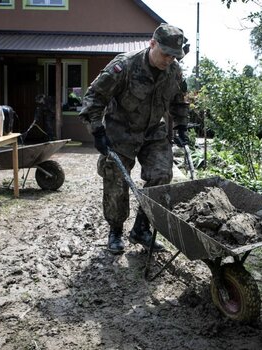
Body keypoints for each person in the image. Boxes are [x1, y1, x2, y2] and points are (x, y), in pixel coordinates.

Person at [79, 23, 190, 254]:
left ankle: (142, 229)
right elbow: (94, 97)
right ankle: (116, 231)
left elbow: (179, 99)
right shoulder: (125, 66)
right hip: (121, 132)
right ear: (152, 44)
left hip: (153, 132)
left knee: (162, 176)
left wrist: (181, 126)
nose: (169, 60)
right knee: (116, 181)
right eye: (166, 54)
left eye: (174, 56)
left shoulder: (174, 71)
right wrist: (98, 131)